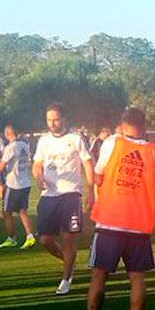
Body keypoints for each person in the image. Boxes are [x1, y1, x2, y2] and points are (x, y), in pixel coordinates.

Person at [71, 107, 155, 310]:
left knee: (99, 276)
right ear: (144, 126)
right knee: (137, 278)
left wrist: (95, 192)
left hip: (109, 221)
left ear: (122, 123)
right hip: (139, 225)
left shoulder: (112, 143)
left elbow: (97, 176)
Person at [32, 102, 94, 295]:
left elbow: (88, 164)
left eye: (56, 119)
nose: (52, 123)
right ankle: (69, 261)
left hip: (70, 194)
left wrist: (91, 190)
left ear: (64, 119)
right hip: (49, 196)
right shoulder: (43, 141)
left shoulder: (75, 139)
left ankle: (66, 279)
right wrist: (39, 177)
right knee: (45, 239)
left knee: (69, 239)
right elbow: (37, 164)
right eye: (49, 120)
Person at [0, 124, 36, 249]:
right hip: (26, 182)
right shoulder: (24, 145)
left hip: (14, 184)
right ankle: (30, 236)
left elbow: (2, 166)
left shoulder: (10, 147)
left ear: (7, 134)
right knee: (23, 211)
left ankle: (12, 238)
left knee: (6, 212)